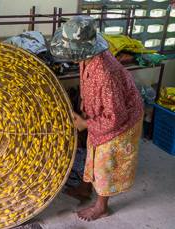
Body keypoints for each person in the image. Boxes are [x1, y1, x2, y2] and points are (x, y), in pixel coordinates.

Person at [50, 16, 144, 221]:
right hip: (103, 114)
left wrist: (85, 123)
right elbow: (89, 88)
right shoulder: (87, 58)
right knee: (92, 149)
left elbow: (115, 118)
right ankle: (85, 189)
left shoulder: (105, 73)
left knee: (105, 161)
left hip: (122, 119)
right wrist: (85, 110)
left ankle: (102, 206)